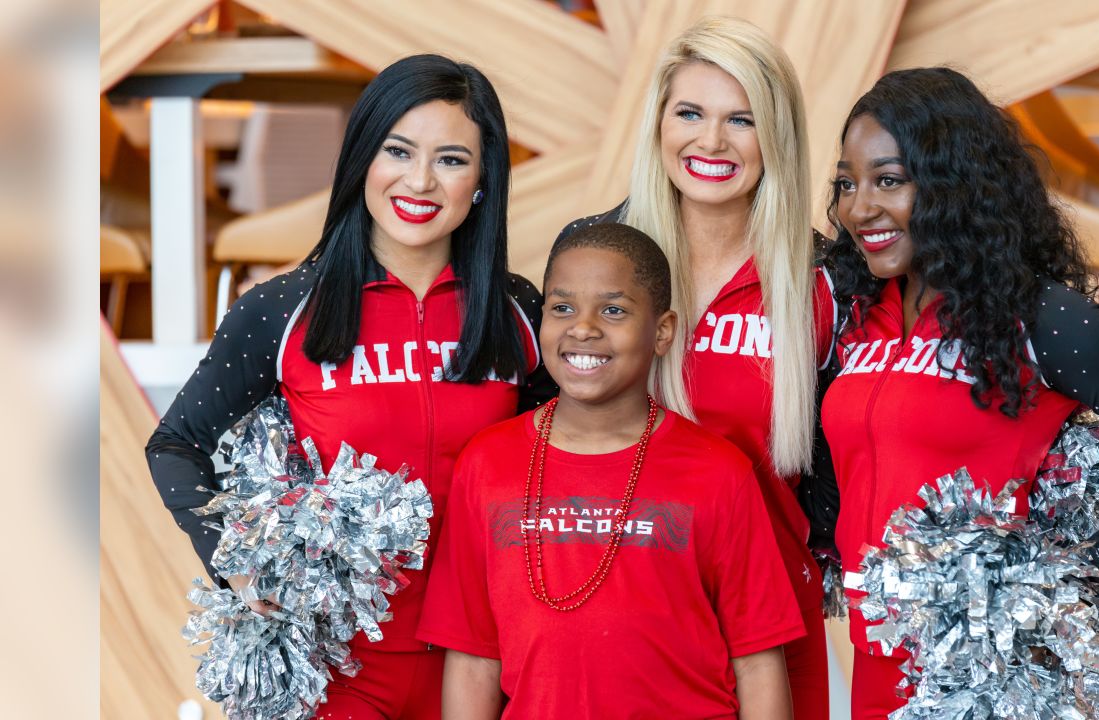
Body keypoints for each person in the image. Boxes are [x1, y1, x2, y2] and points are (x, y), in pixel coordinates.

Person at [145, 54, 552, 720]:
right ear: (363, 157)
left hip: (489, 668)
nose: (420, 181)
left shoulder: (517, 313)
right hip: (342, 672)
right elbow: (175, 444)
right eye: (398, 150)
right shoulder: (283, 309)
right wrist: (240, 568)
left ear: (483, 180)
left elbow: (569, 461)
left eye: (452, 159)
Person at [821, 67, 1099, 719]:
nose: (858, 208)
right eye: (847, 185)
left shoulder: (1040, 316)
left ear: (955, 186)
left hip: (990, 678)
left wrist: (1061, 585)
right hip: (872, 656)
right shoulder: (859, 313)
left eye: (889, 180)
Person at [556, 18, 835, 716]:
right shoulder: (595, 251)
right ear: (658, 124)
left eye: (741, 120)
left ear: (776, 138)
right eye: (690, 113)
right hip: (608, 608)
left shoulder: (828, 277)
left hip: (767, 625)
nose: (711, 142)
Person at [420, 223, 804, 719]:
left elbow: (756, 660)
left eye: (614, 310)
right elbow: (474, 658)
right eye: (562, 308)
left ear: (662, 331)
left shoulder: (718, 470)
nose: (582, 328)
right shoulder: (487, 462)